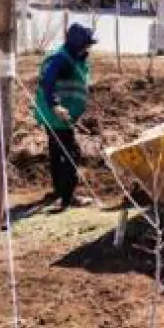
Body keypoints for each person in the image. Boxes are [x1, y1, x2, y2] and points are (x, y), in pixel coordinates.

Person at [32, 23, 97, 212]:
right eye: (86, 44)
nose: (88, 48)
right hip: (58, 116)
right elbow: (48, 81)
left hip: (54, 116)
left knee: (57, 152)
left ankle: (59, 192)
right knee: (71, 153)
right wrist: (56, 106)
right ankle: (68, 198)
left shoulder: (71, 56)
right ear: (77, 44)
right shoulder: (62, 59)